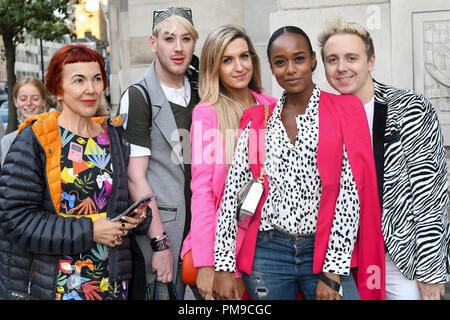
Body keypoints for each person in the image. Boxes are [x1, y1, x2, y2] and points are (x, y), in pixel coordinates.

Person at [213, 26, 385, 300]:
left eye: (299, 58)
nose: (290, 69)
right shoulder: (258, 120)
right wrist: (223, 265)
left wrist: (332, 271)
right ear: (271, 67)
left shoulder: (344, 111)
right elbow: (233, 191)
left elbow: (350, 196)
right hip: (267, 253)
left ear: (313, 60)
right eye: (280, 62)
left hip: (323, 250)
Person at [0, 44, 150, 300]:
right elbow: (16, 219)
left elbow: (115, 206)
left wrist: (135, 219)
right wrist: (90, 231)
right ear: (57, 89)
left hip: (113, 285)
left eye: (96, 79)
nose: (90, 89)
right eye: (78, 80)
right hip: (59, 287)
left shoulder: (114, 137)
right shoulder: (36, 139)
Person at [318, 16, 450, 300]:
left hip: (399, 259)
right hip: (342, 258)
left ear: (371, 61)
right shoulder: (321, 116)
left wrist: (432, 272)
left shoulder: (409, 108)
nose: (341, 68)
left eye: (351, 57)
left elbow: (431, 195)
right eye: (332, 59)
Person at [180, 25, 277, 300]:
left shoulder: (272, 106)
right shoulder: (207, 114)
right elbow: (203, 194)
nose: (239, 67)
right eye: (227, 60)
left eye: (244, 56)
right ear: (214, 67)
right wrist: (207, 263)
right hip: (227, 250)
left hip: (270, 248)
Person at [118, 7, 200, 299]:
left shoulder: (202, 88)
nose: (178, 48)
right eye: (169, 39)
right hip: (165, 231)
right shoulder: (139, 96)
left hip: (205, 231)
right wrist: (160, 244)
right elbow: (135, 178)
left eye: (186, 39)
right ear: (153, 43)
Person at [0, 77, 52, 166]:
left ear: (43, 101)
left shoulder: (55, 136)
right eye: (23, 99)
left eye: (35, 98)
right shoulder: (7, 141)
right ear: (15, 101)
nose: (28, 103)